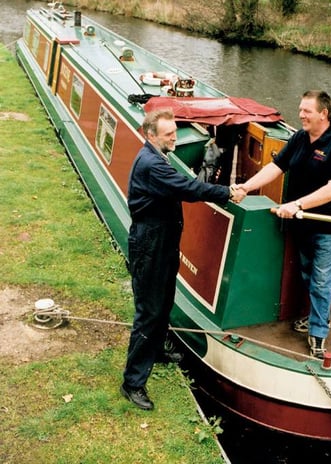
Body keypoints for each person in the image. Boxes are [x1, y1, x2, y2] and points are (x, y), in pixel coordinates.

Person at [121, 109, 246, 410]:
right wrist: (227, 191)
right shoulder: (152, 164)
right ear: (151, 136)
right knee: (148, 313)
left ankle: (158, 349)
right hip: (151, 246)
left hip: (162, 243)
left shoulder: (156, 156)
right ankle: (132, 383)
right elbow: (188, 189)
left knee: (164, 301)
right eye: (170, 134)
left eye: (176, 131)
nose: (176, 137)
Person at [237, 90, 331, 360]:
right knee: (306, 275)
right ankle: (313, 317)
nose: (301, 114)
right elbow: (276, 167)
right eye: (301, 109)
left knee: (323, 281)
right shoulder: (300, 138)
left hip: (328, 229)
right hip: (302, 227)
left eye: (307, 111)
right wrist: (247, 186)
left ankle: (318, 334)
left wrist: (297, 205)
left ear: (323, 114)